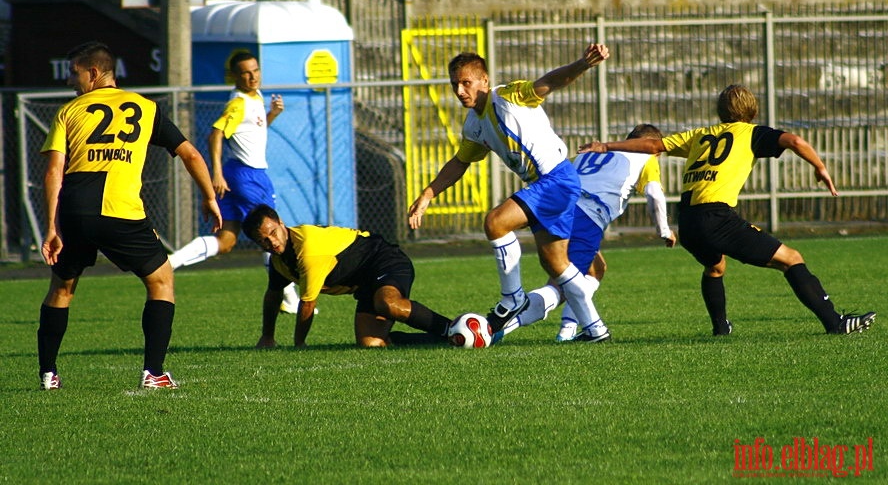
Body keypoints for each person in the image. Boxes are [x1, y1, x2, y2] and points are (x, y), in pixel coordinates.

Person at [579, 84, 875, 336]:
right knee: (792, 259)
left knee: (715, 266)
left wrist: (605, 145)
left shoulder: (700, 135)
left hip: (689, 222)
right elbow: (794, 140)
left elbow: (653, 145)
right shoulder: (751, 133)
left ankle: (721, 329)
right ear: (753, 111)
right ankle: (835, 323)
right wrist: (820, 167)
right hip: (716, 217)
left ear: (720, 112)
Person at [38, 41, 222, 390]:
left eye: (73, 73)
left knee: (62, 288)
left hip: (75, 211)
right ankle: (153, 373)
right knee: (161, 281)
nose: (69, 82)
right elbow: (191, 155)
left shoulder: (69, 111)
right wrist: (210, 197)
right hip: (120, 211)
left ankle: (49, 374)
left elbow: (53, 173)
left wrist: (51, 227)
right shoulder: (145, 107)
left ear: (93, 73)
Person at [408, 44, 612, 341]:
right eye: (455, 84)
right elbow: (460, 162)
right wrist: (427, 194)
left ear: (485, 81)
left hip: (557, 179)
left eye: (466, 82)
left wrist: (583, 64)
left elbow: (550, 82)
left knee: (496, 222)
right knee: (556, 265)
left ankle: (512, 299)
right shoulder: (473, 125)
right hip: (549, 185)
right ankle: (596, 329)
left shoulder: (507, 96)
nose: (460, 90)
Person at [498, 124, 677, 343]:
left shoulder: (593, 152)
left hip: (558, 204)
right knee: (559, 287)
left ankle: (568, 329)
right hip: (587, 215)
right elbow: (654, 193)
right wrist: (664, 230)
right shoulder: (646, 156)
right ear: (653, 149)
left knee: (595, 269)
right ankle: (496, 328)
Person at [167, 52, 300, 313]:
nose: (253, 76)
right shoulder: (238, 103)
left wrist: (271, 115)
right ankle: (291, 300)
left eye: (256, 70)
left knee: (226, 241)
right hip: (248, 175)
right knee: (272, 231)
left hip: (239, 174)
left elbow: (253, 131)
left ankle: (170, 263)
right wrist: (216, 172)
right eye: (246, 73)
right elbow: (215, 135)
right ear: (236, 77)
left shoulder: (255, 96)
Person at [242, 204, 453, 348]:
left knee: (388, 304)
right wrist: (267, 336)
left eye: (273, 233)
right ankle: (446, 339)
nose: (272, 242)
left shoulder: (307, 248)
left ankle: (450, 328)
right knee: (370, 344)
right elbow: (273, 296)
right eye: (263, 241)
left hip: (384, 260)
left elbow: (307, 303)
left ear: (280, 222)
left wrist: (299, 346)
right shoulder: (279, 261)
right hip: (366, 284)